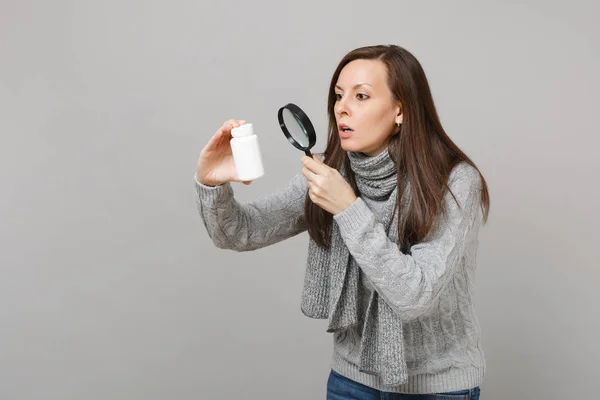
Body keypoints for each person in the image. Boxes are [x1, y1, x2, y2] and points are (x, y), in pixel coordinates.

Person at [194, 44, 490, 400]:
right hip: (352, 381)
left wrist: (348, 208)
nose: (342, 108)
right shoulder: (332, 170)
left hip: (438, 387)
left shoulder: (455, 182)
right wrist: (212, 184)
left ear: (401, 111)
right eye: (338, 95)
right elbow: (239, 233)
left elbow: (415, 295)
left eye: (361, 96)